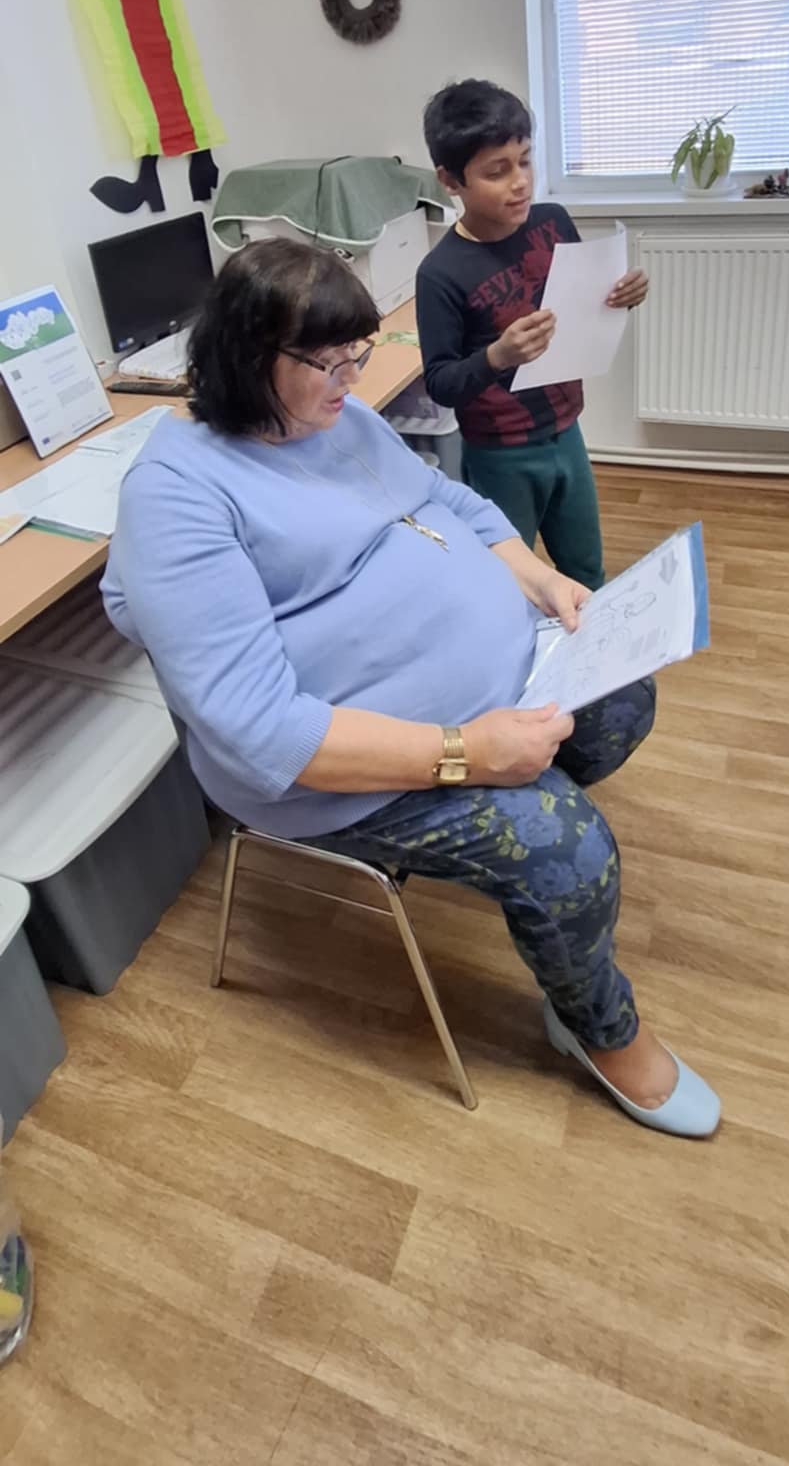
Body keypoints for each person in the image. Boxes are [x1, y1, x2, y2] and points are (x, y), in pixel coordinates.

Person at [102, 240, 719, 1138]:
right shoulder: (177, 498)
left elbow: (448, 503)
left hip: (484, 695)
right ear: (247, 357)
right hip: (332, 775)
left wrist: (540, 580)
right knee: (568, 850)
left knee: (624, 699)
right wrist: (469, 755)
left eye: (358, 354)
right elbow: (258, 729)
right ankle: (596, 1025)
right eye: (332, 361)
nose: (353, 378)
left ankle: (519, 853)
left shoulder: (334, 417)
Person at [416, 79, 648, 591]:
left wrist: (622, 296)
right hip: (499, 453)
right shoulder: (440, 273)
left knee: (586, 570)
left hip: (567, 431)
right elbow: (440, 382)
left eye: (525, 160)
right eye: (496, 171)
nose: (520, 182)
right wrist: (497, 356)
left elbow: (584, 306)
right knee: (510, 583)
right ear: (450, 181)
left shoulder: (553, 222)